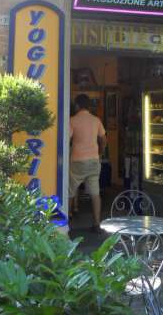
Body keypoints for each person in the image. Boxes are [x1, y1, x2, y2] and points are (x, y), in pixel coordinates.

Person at [69, 94, 106, 232]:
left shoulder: (72, 120)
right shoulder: (96, 120)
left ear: (77, 105)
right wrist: (101, 152)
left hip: (77, 160)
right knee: (95, 193)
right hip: (93, 160)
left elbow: (67, 138)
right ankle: (96, 224)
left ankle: (66, 222)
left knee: (70, 191)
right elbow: (103, 139)